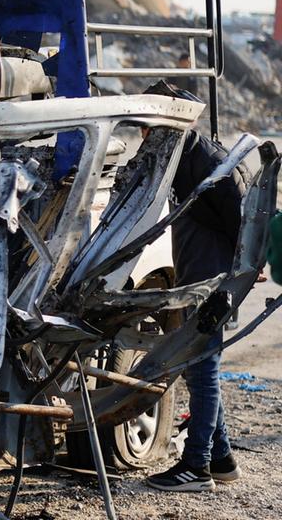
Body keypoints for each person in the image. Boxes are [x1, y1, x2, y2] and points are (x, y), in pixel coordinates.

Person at [143, 81, 245, 492]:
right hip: (193, 281)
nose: (146, 137)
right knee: (198, 370)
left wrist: (234, 280)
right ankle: (220, 459)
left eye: (151, 127)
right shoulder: (176, 157)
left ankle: (196, 467)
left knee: (203, 372)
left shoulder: (211, 164)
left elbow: (244, 223)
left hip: (211, 285)